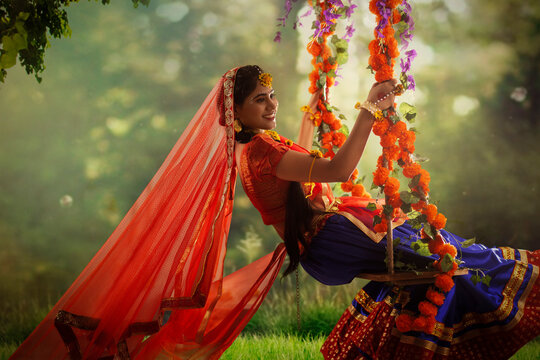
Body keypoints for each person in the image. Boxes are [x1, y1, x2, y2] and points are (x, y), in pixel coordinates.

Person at [10, 65, 539, 360]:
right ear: (233, 110)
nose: (270, 105)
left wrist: (317, 110)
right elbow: (333, 171)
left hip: (332, 236)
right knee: (450, 261)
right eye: (260, 99)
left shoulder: (259, 146)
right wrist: (369, 110)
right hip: (336, 236)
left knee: (435, 266)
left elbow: (306, 163)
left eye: (271, 96)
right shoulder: (260, 154)